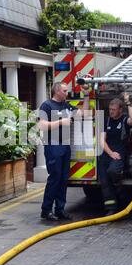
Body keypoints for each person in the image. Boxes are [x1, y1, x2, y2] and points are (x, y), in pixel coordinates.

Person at [38, 82, 90, 221]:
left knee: (63, 179)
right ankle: (46, 210)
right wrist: (61, 122)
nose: (67, 93)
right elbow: (42, 125)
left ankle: (60, 209)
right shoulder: (47, 105)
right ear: (57, 91)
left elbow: (83, 113)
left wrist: (86, 94)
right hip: (53, 146)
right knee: (55, 178)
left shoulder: (66, 106)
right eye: (65, 91)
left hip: (65, 146)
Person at [99, 94, 132, 216]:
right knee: (104, 181)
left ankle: (122, 196)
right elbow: (101, 141)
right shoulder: (107, 121)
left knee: (112, 172)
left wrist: (128, 102)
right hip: (107, 153)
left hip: (119, 153)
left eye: (114, 110)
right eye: (110, 109)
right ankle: (111, 208)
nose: (111, 112)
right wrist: (110, 153)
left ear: (120, 110)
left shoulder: (125, 120)